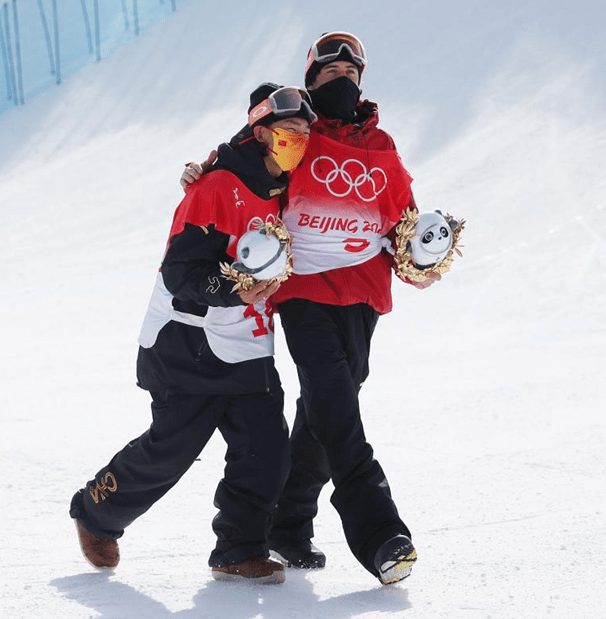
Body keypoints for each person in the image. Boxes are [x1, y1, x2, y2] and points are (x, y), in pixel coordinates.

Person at [181, 32, 432, 585]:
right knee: (335, 406)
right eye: (328, 72)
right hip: (301, 290)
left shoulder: (383, 144)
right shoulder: (298, 132)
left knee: (325, 410)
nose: (340, 79)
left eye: (350, 72)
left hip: (363, 292)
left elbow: (404, 219)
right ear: (311, 79)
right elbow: (242, 155)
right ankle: (381, 533)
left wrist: (424, 254)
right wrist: (203, 169)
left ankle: (287, 528)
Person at [69, 84, 316, 584]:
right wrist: (234, 291)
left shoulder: (285, 188)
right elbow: (180, 273)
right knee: (173, 449)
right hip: (188, 342)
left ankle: (238, 549)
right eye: (290, 132)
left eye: (305, 134)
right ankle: (96, 512)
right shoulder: (214, 188)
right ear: (263, 133)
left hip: (247, 344)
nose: (299, 141)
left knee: (267, 450)